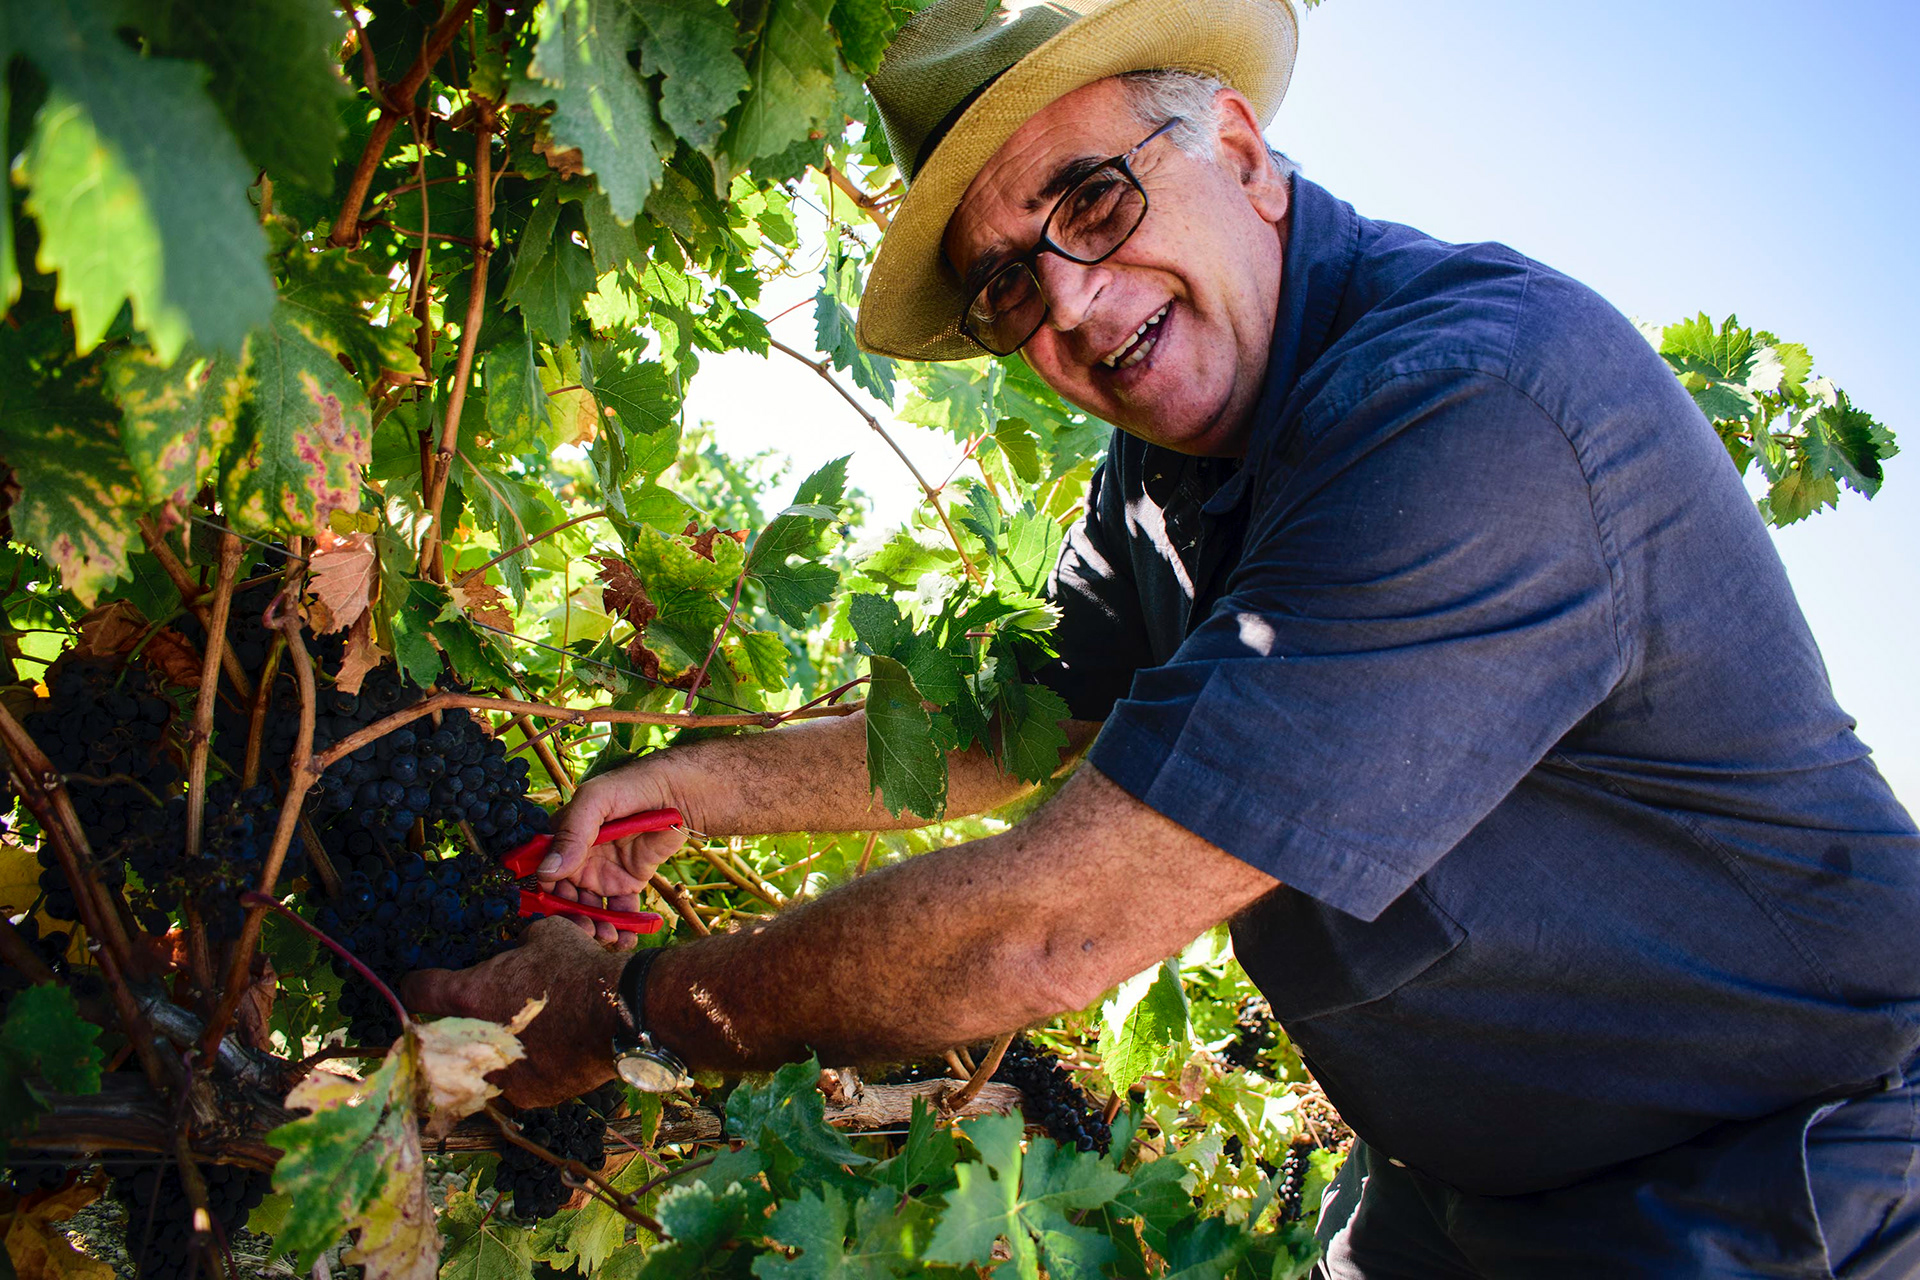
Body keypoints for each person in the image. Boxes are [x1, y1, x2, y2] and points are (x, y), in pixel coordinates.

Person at [402, 0, 1920, 1273]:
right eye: (1006, 281)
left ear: (1242, 157)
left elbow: (1043, 927)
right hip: (1472, 1207)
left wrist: (622, 1019)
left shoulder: (1477, 408)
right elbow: (1016, 724)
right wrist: (689, 788)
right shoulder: (1166, 480)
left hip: (1799, 1185)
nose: (1068, 300)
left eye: (1091, 198)